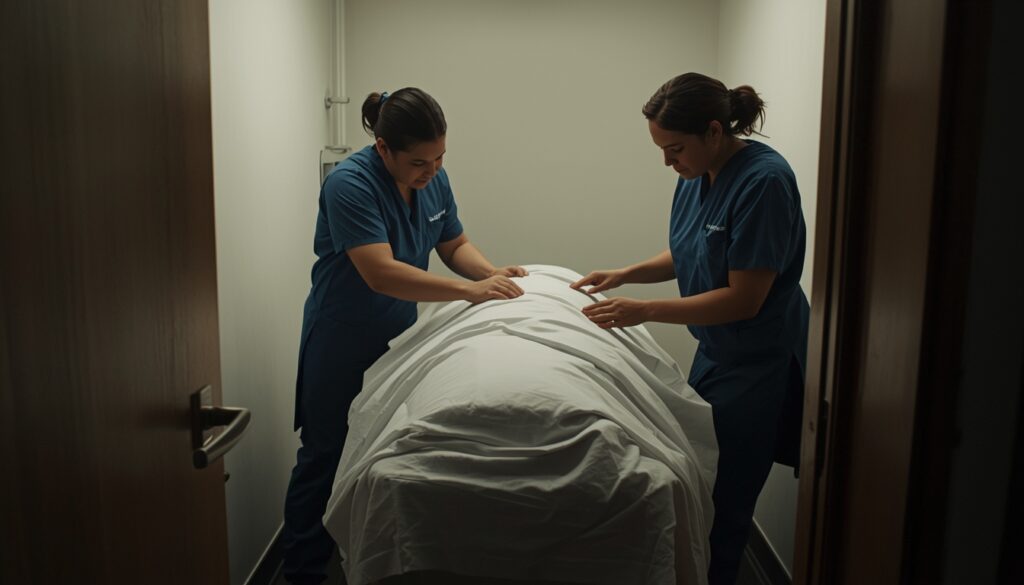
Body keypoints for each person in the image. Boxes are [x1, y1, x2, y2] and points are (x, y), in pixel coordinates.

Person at [570, 72, 809, 585]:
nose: (668, 162)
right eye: (662, 149)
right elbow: (693, 250)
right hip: (717, 349)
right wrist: (625, 273)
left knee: (726, 500)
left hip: (757, 358)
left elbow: (744, 298)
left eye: (674, 149)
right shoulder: (696, 173)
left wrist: (645, 311)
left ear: (715, 132)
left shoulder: (764, 183)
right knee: (700, 478)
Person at [283, 87, 527, 585]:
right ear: (383, 149)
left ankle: (364, 558)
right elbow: (380, 273)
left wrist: (491, 273)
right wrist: (470, 292)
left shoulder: (432, 178)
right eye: (419, 162)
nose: (431, 171)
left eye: (440, 158)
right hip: (342, 338)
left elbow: (453, 243)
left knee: (379, 450)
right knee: (325, 455)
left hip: (398, 334)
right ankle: (303, 572)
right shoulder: (349, 184)